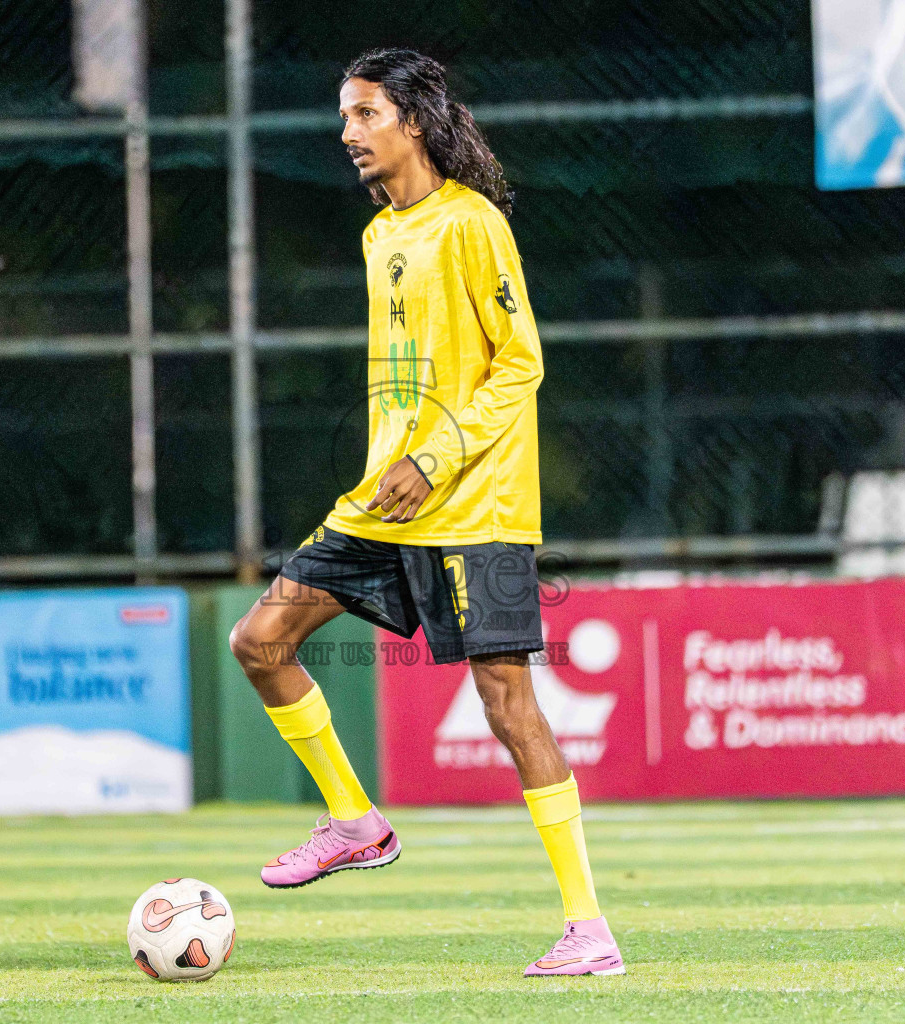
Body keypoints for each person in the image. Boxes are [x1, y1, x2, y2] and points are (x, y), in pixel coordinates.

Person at [228, 47, 623, 978]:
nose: (347, 133)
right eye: (344, 117)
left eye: (364, 114)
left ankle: (588, 928)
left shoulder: (474, 224)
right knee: (259, 640)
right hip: (383, 500)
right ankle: (356, 820)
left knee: (507, 704)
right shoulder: (380, 235)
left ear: (413, 119)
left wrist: (435, 455)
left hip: (475, 504)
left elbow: (519, 362)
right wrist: (391, 465)